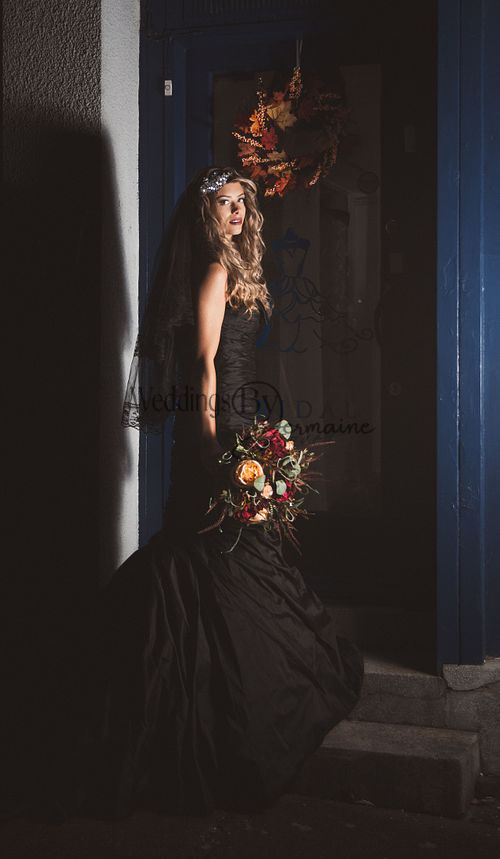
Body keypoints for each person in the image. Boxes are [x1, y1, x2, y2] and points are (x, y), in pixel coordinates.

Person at [22, 167, 364, 820]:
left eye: (243, 202)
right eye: (225, 203)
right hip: (217, 430)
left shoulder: (236, 265)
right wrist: (211, 450)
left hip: (240, 424)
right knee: (200, 555)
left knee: (223, 559)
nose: (237, 211)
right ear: (206, 212)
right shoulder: (212, 270)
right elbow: (204, 364)